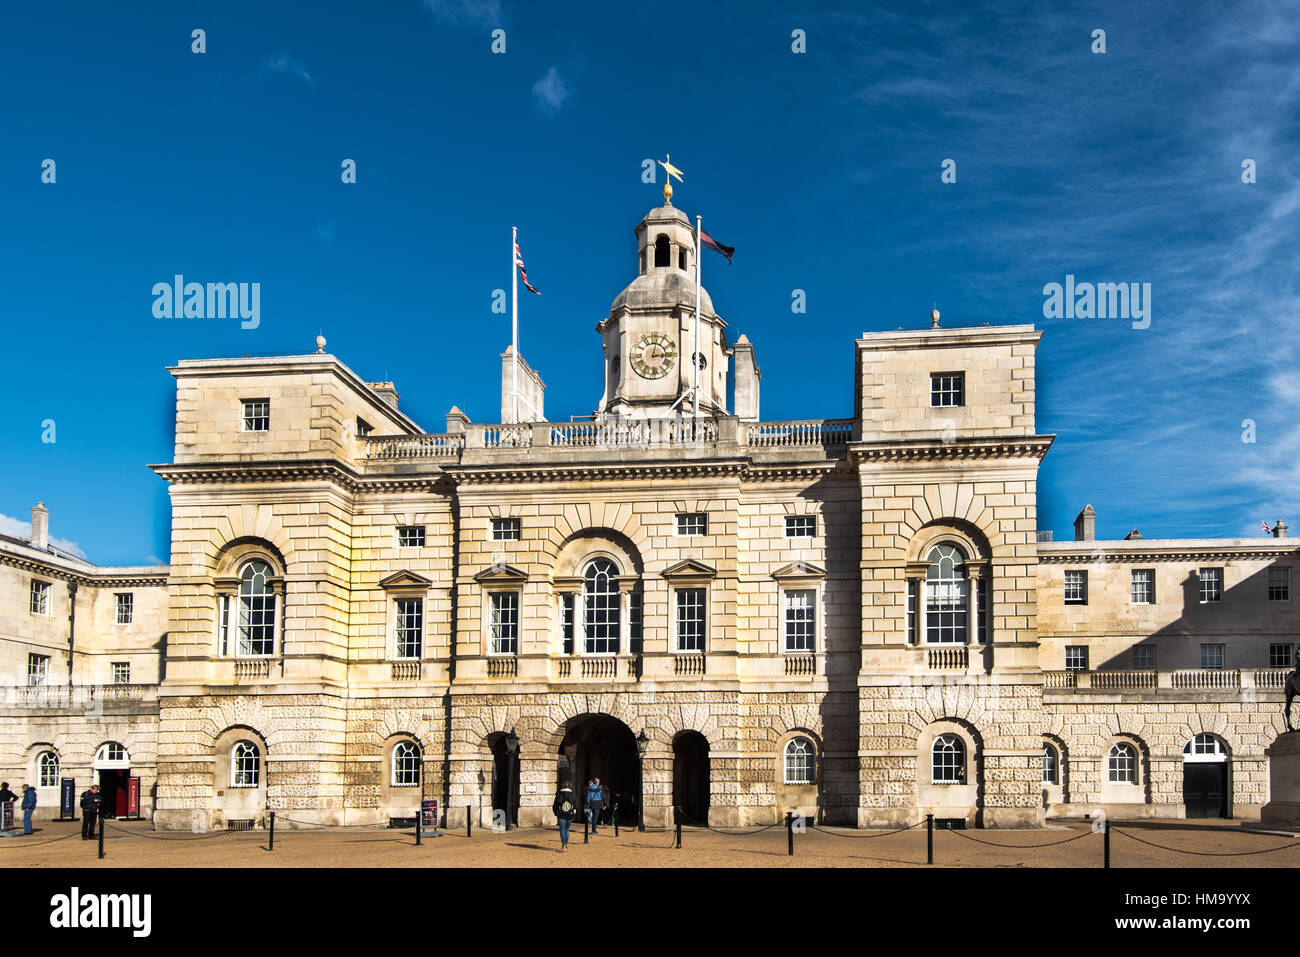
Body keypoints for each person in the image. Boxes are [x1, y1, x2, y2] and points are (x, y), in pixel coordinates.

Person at [552, 779, 577, 851]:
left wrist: (556, 813)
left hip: (561, 814)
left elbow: (555, 805)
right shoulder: (573, 794)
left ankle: (564, 845)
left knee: (562, 830)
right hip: (570, 814)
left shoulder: (559, 794)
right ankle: (566, 844)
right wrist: (574, 810)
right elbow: (575, 804)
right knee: (567, 830)